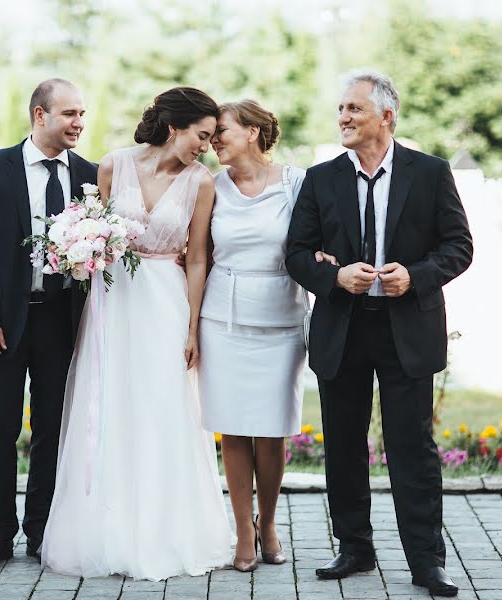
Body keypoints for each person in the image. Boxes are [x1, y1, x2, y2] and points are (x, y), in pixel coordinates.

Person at [285, 70, 473, 597]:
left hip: (406, 328)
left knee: (412, 447)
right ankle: (354, 548)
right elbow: (296, 253)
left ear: (386, 117)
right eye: (341, 109)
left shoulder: (430, 173)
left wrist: (415, 276)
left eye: (354, 109)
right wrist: (334, 277)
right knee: (344, 445)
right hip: (342, 329)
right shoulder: (320, 179)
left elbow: (459, 246)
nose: (343, 117)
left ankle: (426, 561)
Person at [41, 87, 232, 581]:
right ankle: (106, 531)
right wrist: (79, 251)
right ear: (175, 127)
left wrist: (191, 325)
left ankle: (163, 531)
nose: (205, 147)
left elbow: (196, 258)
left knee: (161, 409)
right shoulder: (114, 165)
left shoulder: (202, 181)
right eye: (202, 136)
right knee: (109, 407)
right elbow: (94, 232)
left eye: (211, 139)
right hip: (113, 303)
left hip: (165, 302)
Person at [0, 79, 97, 569]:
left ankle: (42, 530)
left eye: (82, 114)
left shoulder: (92, 175)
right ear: (40, 116)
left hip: (63, 323)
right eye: (70, 114)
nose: (79, 123)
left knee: (53, 428)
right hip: (1, 325)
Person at [201, 99, 335, 572]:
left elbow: (317, 242)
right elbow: (196, 253)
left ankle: (270, 523)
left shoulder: (298, 184)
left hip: (281, 317)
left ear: (254, 132)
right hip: (222, 319)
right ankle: (242, 531)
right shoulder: (210, 186)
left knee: (273, 431)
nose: (213, 140)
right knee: (233, 429)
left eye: (222, 131)